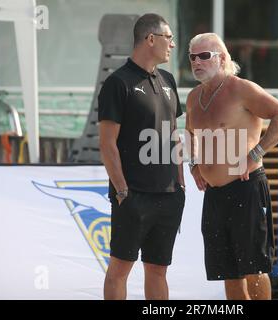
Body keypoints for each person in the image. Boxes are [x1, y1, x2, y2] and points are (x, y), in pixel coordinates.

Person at [185, 33, 278, 300]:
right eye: (192, 57)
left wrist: (255, 153)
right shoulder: (193, 97)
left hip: (246, 189)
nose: (196, 62)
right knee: (228, 272)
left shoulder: (242, 89)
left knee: (254, 269)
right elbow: (190, 133)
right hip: (214, 195)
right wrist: (195, 165)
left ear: (222, 58)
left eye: (204, 56)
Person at [98, 13, 185, 300]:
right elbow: (108, 144)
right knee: (120, 269)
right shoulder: (117, 83)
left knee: (158, 271)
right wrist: (122, 190)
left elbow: (174, 135)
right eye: (168, 38)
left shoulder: (169, 80)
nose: (172, 44)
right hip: (133, 195)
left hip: (169, 194)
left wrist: (180, 183)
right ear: (151, 39)